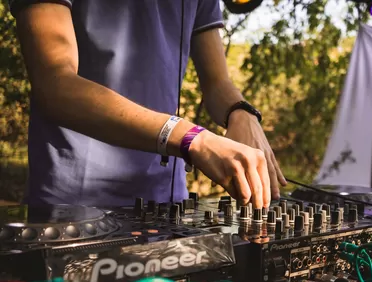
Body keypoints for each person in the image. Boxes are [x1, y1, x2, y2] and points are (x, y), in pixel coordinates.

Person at [9, 0, 286, 210]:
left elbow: (217, 84)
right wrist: (192, 138)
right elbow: (55, 85)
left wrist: (241, 112)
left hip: (167, 204)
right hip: (75, 206)